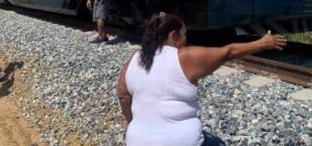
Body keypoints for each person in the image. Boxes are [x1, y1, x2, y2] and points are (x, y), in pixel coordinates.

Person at [117, 13, 287, 146]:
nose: (185, 39)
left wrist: (137, 125)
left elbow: (123, 97)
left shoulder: (134, 59)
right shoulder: (183, 57)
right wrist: (262, 43)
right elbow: (228, 52)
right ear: (173, 35)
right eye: (184, 35)